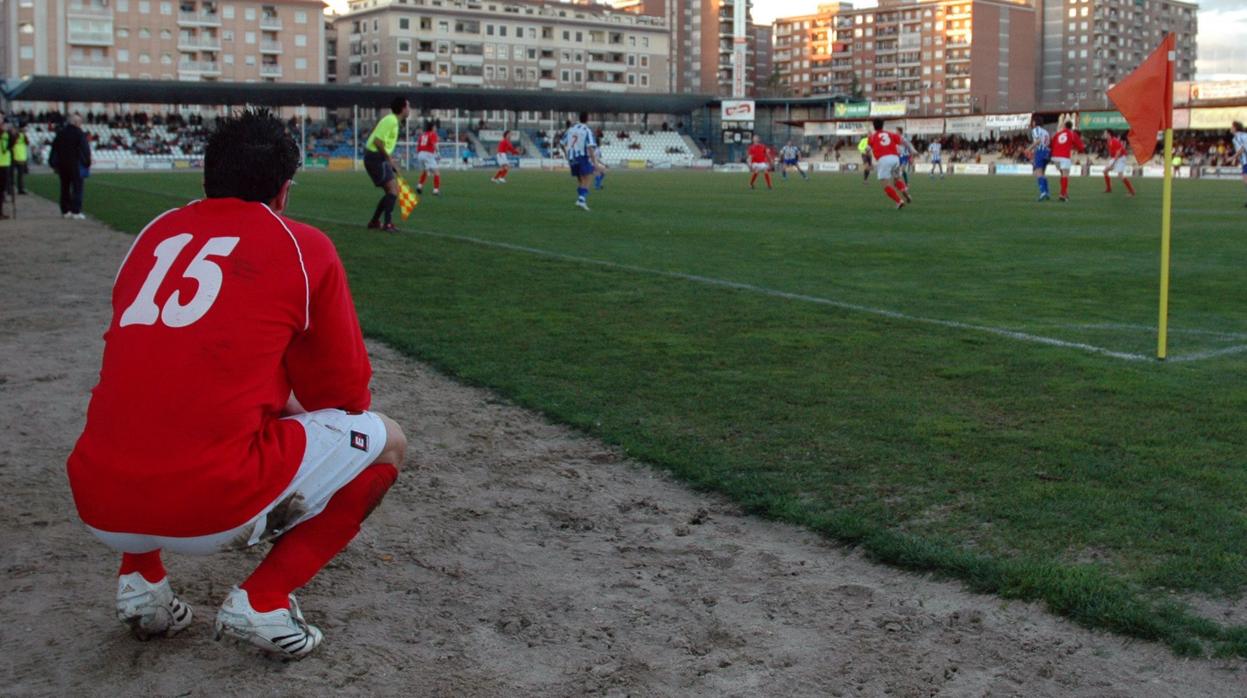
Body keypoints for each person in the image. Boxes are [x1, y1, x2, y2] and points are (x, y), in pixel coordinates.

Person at [65, 109, 407, 660]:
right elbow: (344, 400)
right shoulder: (303, 246)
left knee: (148, 400)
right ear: (285, 191)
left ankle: (141, 580)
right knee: (386, 440)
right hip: (210, 505)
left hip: (96, 501)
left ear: (205, 180)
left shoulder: (154, 233)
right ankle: (264, 598)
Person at [364, 97, 410, 232]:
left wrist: (389, 159)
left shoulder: (393, 121)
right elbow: (378, 141)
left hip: (377, 157)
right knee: (392, 191)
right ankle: (387, 224)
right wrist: (389, 160)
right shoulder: (391, 121)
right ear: (402, 108)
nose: (409, 109)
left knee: (391, 191)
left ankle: (374, 222)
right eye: (408, 106)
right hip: (375, 157)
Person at [50, 113, 92, 219]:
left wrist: (53, 163)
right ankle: (76, 211)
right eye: (80, 122)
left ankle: (65, 211)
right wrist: (87, 162)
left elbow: (54, 149)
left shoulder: (60, 133)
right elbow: (85, 149)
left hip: (62, 165)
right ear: (77, 122)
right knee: (77, 188)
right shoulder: (79, 133)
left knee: (64, 188)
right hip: (75, 165)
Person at [868, 118, 911, 210]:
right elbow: (902, 141)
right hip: (895, 159)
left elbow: (867, 149)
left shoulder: (872, 137)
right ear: (882, 125)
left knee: (885, 184)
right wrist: (912, 150)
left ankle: (899, 201)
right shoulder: (890, 134)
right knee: (897, 180)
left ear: (874, 126)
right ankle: (907, 194)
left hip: (884, 160)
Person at [562, 111, 597, 211]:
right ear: (587, 119)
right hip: (581, 156)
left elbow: (561, 142)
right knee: (589, 176)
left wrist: (566, 154)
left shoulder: (571, 129)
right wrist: (595, 162)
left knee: (581, 179)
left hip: (572, 157)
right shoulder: (586, 130)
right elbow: (590, 147)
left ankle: (581, 198)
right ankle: (581, 200)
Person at [1050, 120, 1087, 202]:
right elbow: (1080, 147)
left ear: (1064, 126)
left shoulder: (1058, 133)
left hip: (1055, 156)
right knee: (1065, 175)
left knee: (1063, 174)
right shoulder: (1072, 134)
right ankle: (1062, 194)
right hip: (1064, 156)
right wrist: (1079, 149)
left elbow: (1051, 144)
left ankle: (1064, 192)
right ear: (1071, 127)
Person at [1026, 116, 1052, 202]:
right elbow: (1048, 142)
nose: (1032, 123)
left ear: (1035, 122)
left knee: (1038, 172)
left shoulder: (1036, 130)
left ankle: (1043, 192)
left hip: (1040, 151)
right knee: (1043, 173)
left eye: (1033, 122)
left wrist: (1029, 148)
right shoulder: (1046, 132)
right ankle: (1047, 192)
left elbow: (1037, 141)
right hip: (1047, 152)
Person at [1103, 130, 1135, 197]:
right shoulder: (1109, 141)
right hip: (1116, 158)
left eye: (1105, 133)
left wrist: (1113, 162)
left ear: (1109, 134)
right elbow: (1113, 152)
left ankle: (1132, 191)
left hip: (1121, 158)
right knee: (1105, 171)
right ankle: (1109, 189)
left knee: (1120, 175)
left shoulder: (1114, 140)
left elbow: (1118, 152)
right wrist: (1111, 159)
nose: (1104, 134)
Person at [415, 120, 441, 196]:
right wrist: (438, 153)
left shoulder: (423, 135)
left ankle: (419, 186)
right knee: (436, 172)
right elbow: (434, 144)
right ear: (432, 127)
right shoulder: (432, 134)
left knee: (426, 171)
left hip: (420, 154)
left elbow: (418, 147)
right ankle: (435, 190)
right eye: (435, 127)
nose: (436, 128)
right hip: (428, 154)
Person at [1232, 121, 1247, 207]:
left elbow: (1242, 149)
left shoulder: (1240, 136)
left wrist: (1232, 157)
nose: (1230, 128)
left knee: (1245, 181)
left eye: (1232, 126)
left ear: (1235, 128)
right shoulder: (1238, 137)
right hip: (1244, 162)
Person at [12, 124, 28, 195]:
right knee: (20, 175)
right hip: (19, 157)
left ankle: (12, 189)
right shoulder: (21, 136)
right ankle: (20, 189)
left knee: (17, 175)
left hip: (18, 156)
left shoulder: (19, 136)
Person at [0, 117, 10, 220]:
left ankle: (1, 211)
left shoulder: (6, 134)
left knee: (2, 190)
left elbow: (9, 146)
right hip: (2, 163)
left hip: (4, 163)